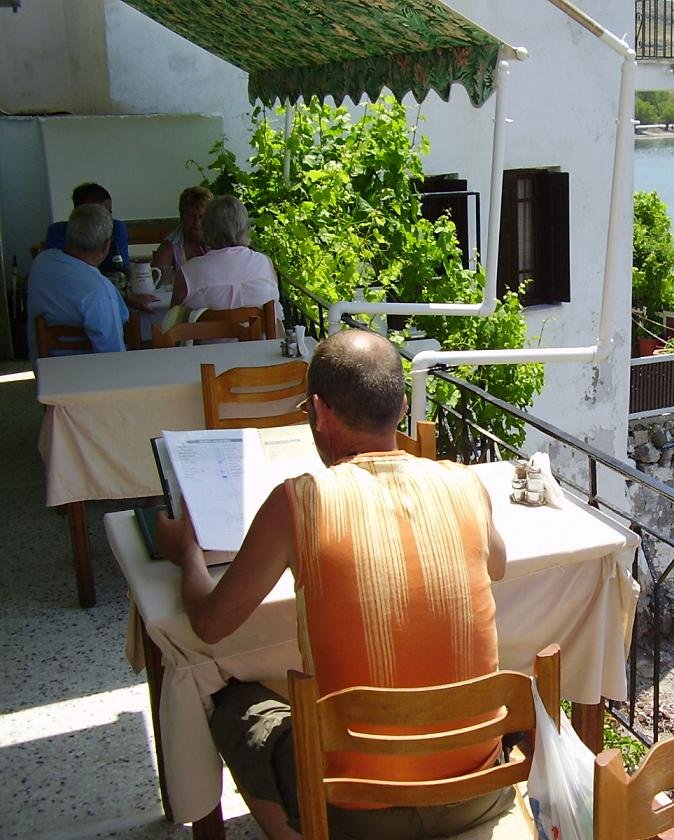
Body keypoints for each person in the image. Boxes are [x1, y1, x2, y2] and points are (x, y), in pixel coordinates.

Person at [156, 330, 509, 840]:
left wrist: (188, 554)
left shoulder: (297, 502)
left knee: (232, 704)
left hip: (359, 811)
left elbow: (210, 626)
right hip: (477, 791)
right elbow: (499, 564)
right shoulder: (465, 484)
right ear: (402, 407)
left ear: (319, 413)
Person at [27, 204, 133, 359]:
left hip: (44, 367)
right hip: (85, 371)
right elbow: (113, 356)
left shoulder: (42, 260)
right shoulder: (99, 290)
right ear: (106, 245)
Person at [171, 194, 284, 330]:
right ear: (244, 227)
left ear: (207, 227)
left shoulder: (188, 272)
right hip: (263, 343)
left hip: (208, 344)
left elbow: (173, 323)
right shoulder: (264, 263)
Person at [44, 182, 130, 276]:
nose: (107, 219)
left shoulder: (115, 228)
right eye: (99, 214)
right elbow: (57, 271)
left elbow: (122, 270)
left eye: (108, 213)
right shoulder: (58, 231)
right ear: (78, 213)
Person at [151, 185, 212, 277]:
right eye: (191, 216)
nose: (197, 222)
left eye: (201, 216)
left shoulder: (220, 243)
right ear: (181, 216)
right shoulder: (170, 245)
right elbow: (157, 279)